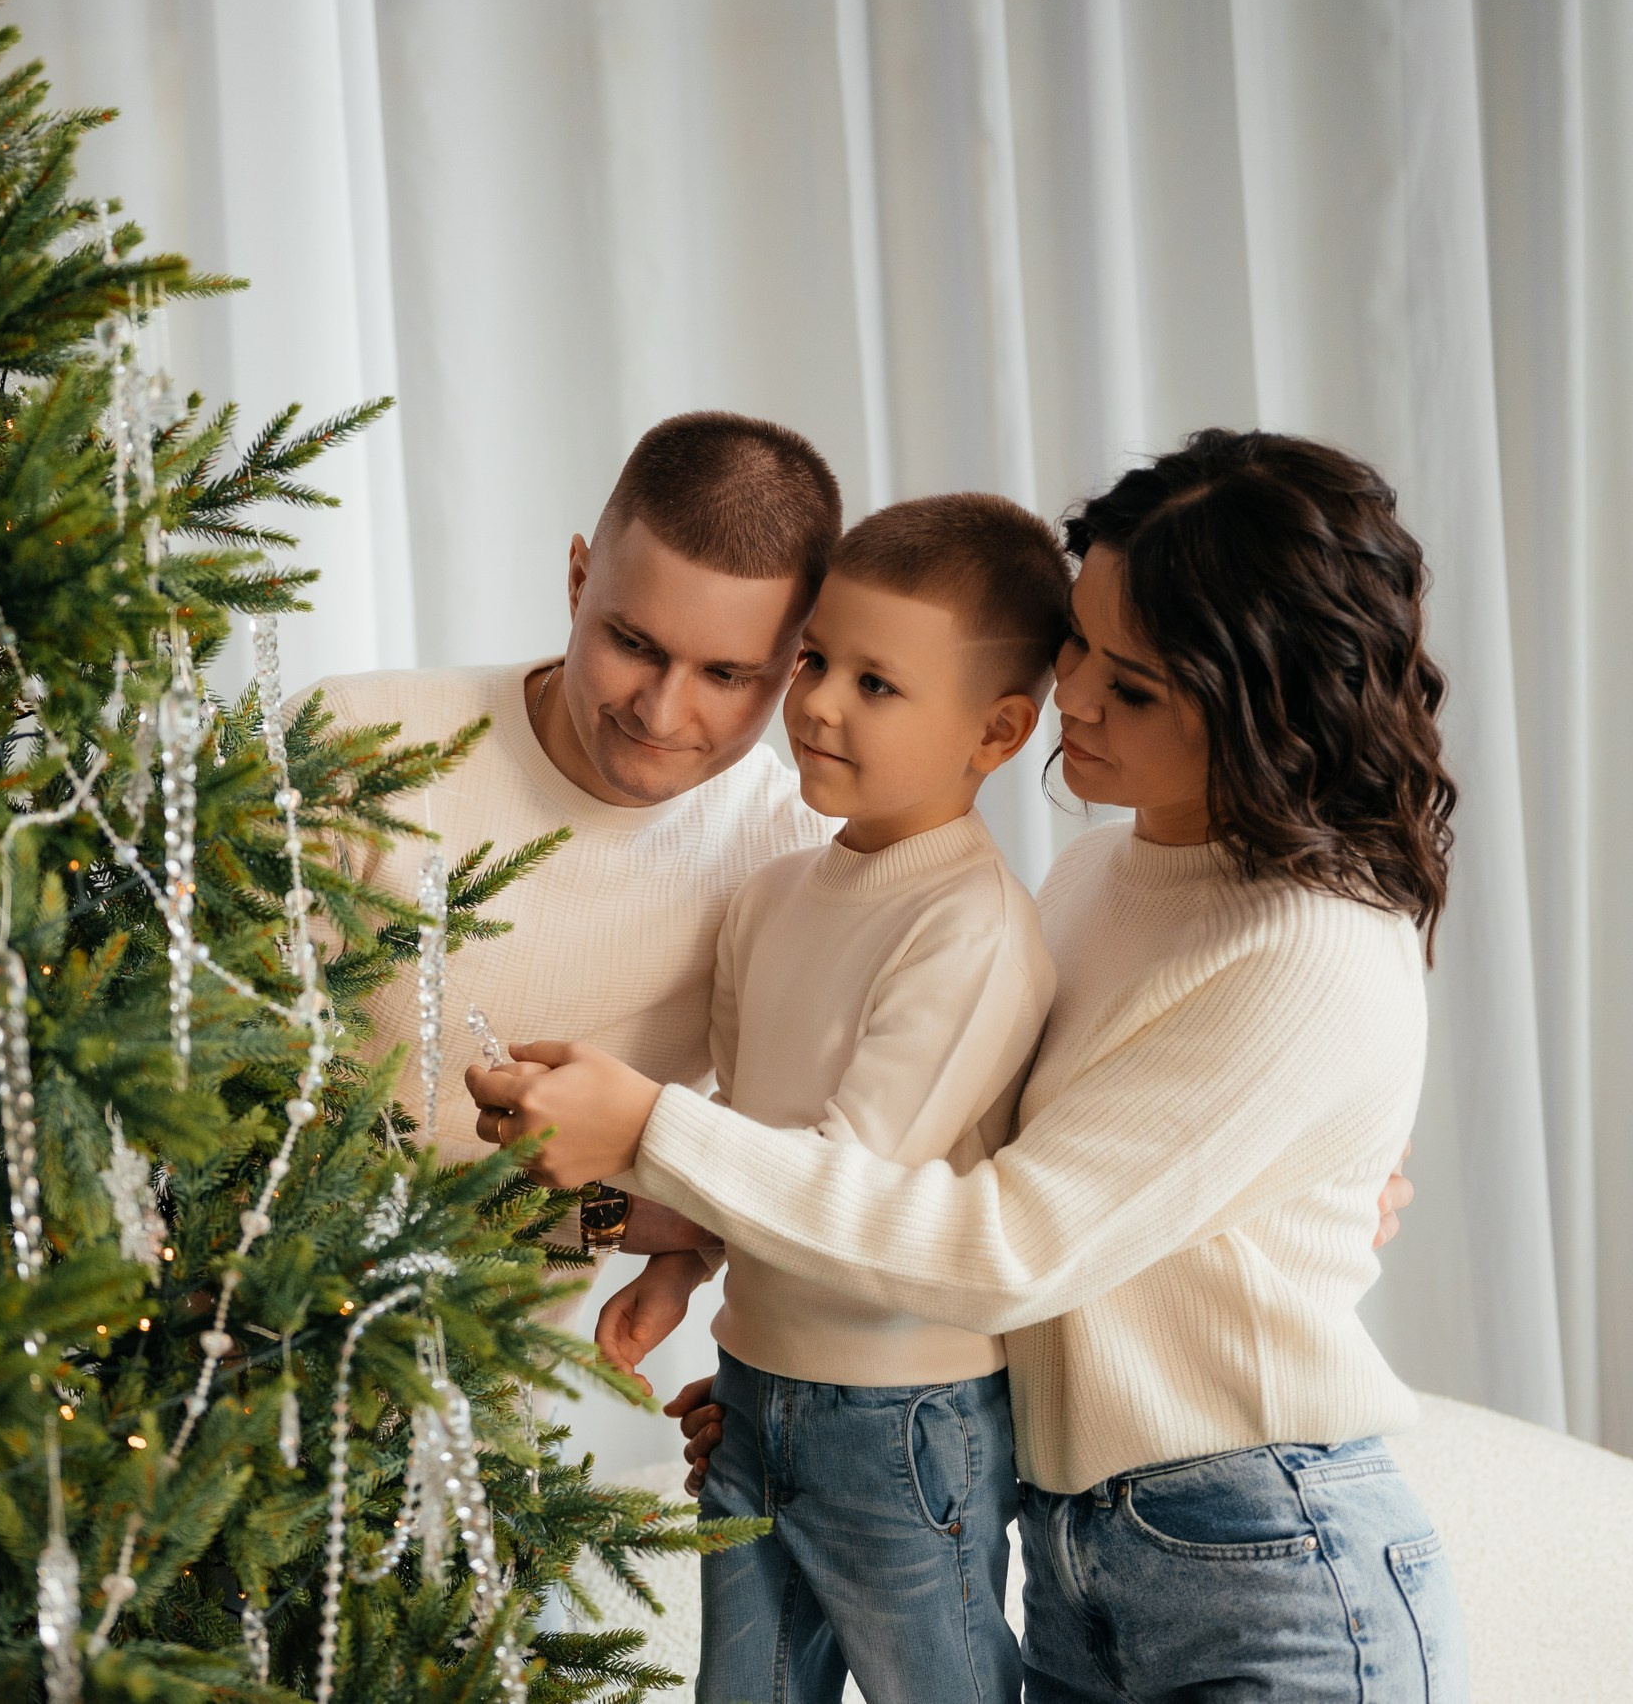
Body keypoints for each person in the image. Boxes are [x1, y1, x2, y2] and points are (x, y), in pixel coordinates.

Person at [470, 429, 1469, 1701]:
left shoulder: (1308, 945)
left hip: (1262, 1563)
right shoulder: (1102, 872)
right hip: (1068, 1553)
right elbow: (977, 1161)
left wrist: (652, 1127)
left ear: (1263, 698)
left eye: (1138, 686)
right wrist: (811, 1389)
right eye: (1077, 648)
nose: (1076, 702)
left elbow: (1004, 1242)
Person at [579, 493, 1072, 1703]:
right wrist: (677, 1270)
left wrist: (632, 1141)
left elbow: (842, 1175)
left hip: (905, 1418)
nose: (818, 702)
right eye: (814, 659)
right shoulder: (769, 893)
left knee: (940, 1684)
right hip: (754, 1386)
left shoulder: (973, 927)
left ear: (997, 729)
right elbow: (745, 1135)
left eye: (876, 683)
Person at [311, 410, 841, 1262]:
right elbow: (237, 1092)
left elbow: (827, 1162)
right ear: (576, 579)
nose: (660, 712)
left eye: (727, 675)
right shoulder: (353, 740)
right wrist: (605, 1215)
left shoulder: (800, 856)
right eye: (633, 643)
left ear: (800, 662)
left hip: (507, 1383)